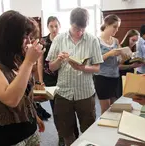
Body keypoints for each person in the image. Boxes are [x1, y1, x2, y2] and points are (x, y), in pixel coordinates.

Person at [46, 7, 103, 146]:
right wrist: (59, 60)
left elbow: (97, 68)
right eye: (77, 29)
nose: (80, 32)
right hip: (64, 93)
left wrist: (83, 67)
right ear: (70, 24)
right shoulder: (59, 39)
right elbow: (51, 67)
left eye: (83, 29)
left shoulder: (92, 40)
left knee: (89, 130)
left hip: (85, 93)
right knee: (66, 131)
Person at [0, 10, 45, 146]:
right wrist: (29, 62)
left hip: (30, 131)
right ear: (10, 37)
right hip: (7, 138)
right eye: (25, 36)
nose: (28, 41)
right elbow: (11, 99)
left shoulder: (16, 58)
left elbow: (24, 94)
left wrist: (34, 116)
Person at [93, 14, 122, 114]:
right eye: (114, 27)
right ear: (106, 25)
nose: (116, 30)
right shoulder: (96, 41)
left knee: (114, 108)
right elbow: (94, 61)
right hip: (102, 77)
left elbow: (118, 61)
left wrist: (123, 57)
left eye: (118, 27)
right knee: (105, 110)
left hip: (115, 76)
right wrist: (110, 53)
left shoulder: (116, 41)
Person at [36, 16, 61, 121]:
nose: (54, 29)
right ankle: (60, 134)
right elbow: (40, 62)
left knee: (64, 107)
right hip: (49, 77)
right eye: (51, 26)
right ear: (47, 27)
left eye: (56, 26)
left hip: (62, 76)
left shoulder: (63, 39)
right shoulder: (43, 41)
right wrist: (41, 81)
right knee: (55, 107)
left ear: (59, 26)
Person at [116, 29, 140, 98]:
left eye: (136, 41)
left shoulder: (132, 48)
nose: (134, 43)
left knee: (129, 97)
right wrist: (131, 66)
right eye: (133, 40)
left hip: (130, 75)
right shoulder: (121, 48)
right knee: (122, 98)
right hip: (122, 76)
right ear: (127, 38)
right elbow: (118, 66)